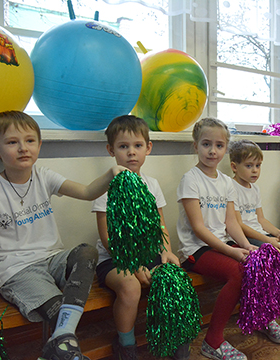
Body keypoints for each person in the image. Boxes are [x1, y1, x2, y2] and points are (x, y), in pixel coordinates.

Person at [0, 111, 126, 360]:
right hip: (17, 271)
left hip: (53, 260)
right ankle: (65, 347)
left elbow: (88, 192)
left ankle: (60, 341)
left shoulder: (44, 176)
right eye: (13, 142)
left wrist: (111, 175)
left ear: (39, 144)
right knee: (59, 309)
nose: (23, 148)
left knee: (87, 251)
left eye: (30, 140)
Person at [177, 118, 280, 360]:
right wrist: (232, 252)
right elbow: (198, 228)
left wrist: (248, 246)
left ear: (225, 148)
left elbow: (230, 223)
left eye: (219, 145)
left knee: (264, 260)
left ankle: (262, 318)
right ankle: (212, 341)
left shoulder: (226, 182)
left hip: (223, 243)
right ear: (195, 146)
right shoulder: (191, 180)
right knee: (238, 272)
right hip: (197, 249)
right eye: (206, 144)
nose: (212, 150)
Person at [91, 115, 188, 360]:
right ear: (111, 150)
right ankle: (126, 344)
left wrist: (166, 251)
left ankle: (174, 336)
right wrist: (134, 266)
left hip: (149, 253)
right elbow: (106, 238)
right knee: (130, 286)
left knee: (174, 276)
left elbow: (161, 226)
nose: (131, 153)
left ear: (148, 148)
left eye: (137, 146)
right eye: (123, 147)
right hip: (114, 259)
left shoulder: (152, 184)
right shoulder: (107, 186)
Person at [228, 139, 280, 250]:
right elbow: (239, 224)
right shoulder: (231, 187)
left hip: (260, 233)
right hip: (244, 237)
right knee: (276, 251)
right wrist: (268, 240)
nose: (255, 170)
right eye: (249, 166)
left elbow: (261, 219)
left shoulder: (255, 188)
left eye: (258, 165)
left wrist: (279, 233)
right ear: (234, 167)